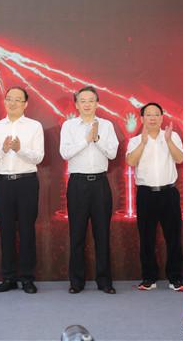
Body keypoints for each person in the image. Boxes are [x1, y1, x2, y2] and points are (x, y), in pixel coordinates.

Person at [0, 86, 44, 294]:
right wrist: (3, 149)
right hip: (3, 183)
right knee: (6, 231)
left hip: (27, 183)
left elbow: (39, 157)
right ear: (5, 102)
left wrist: (20, 149)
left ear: (25, 104)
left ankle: (27, 278)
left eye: (18, 99)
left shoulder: (34, 126)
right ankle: (8, 277)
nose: (13, 103)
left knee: (27, 231)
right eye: (9, 99)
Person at [59, 86, 118, 295]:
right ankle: (76, 281)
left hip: (100, 183)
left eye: (91, 100)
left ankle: (105, 281)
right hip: (78, 184)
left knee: (102, 234)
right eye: (82, 101)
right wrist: (86, 140)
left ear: (97, 103)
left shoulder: (107, 125)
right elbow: (65, 153)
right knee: (77, 234)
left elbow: (112, 153)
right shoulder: (69, 126)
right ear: (76, 104)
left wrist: (97, 140)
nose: (87, 104)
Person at [126, 102, 183, 292]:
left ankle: (175, 278)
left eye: (156, 114)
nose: (152, 118)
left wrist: (168, 141)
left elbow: (179, 158)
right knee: (146, 239)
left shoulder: (172, 136)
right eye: (148, 115)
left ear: (162, 117)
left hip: (169, 193)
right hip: (146, 194)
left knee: (174, 238)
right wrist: (143, 143)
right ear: (142, 118)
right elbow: (130, 161)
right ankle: (149, 278)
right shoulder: (135, 140)